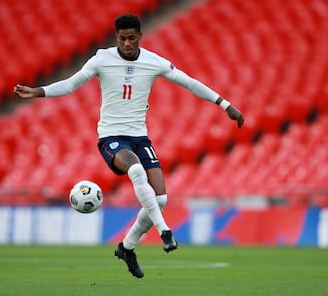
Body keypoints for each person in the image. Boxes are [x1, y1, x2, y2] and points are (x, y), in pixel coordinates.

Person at [14, 14, 244, 278]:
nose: (126, 43)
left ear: (140, 37)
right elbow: (71, 85)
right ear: (116, 38)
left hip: (140, 137)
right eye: (122, 38)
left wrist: (225, 105)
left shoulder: (153, 61)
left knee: (160, 198)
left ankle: (127, 246)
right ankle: (165, 232)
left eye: (131, 38)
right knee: (136, 170)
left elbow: (189, 83)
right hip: (111, 137)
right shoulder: (102, 59)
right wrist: (38, 91)